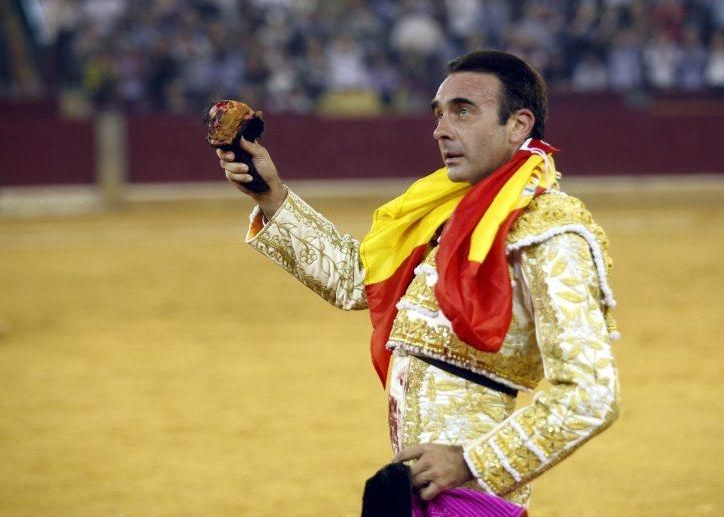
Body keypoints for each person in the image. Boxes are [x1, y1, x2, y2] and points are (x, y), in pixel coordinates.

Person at [217, 50, 620, 510]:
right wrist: (272, 196)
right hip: (419, 493)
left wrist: (469, 461)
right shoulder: (449, 208)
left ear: (519, 124)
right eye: (439, 114)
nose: (441, 129)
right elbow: (356, 282)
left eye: (463, 111)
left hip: (474, 500)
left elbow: (591, 396)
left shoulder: (549, 228)